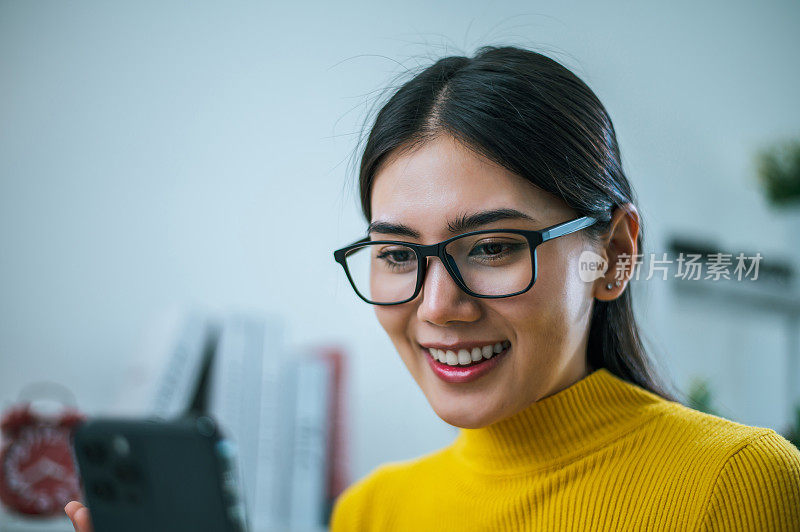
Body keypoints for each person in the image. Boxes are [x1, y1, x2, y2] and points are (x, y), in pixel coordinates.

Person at [66, 45, 800, 532]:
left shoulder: (739, 486)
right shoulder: (372, 512)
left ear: (613, 254)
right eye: (396, 254)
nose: (438, 306)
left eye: (490, 247)